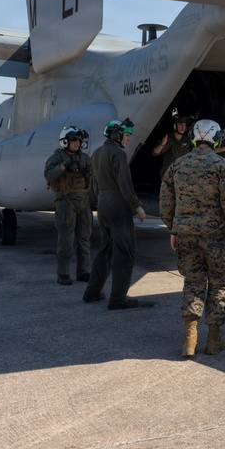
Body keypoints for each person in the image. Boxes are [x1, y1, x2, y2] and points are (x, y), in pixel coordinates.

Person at [159, 119, 225, 357]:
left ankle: (189, 340)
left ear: (194, 138)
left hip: (186, 235)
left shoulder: (177, 165)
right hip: (215, 236)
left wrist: (174, 229)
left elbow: (166, 202)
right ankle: (213, 340)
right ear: (217, 139)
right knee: (220, 281)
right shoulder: (221, 165)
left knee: (193, 281)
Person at [83, 118, 149, 309]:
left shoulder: (96, 153)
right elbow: (124, 183)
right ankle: (118, 299)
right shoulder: (118, 154)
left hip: (103, 205)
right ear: (116, 135)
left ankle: (92, 292)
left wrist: (101, 202)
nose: (128, 139)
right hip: (118, 205)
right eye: (126, 135)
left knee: (105, 249)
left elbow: (93, 186)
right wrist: (136, 205)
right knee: (124, 252)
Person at [43, 126, 94, 285]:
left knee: (85, 239)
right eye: (73, 140)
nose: (77, 143)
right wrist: (64, 165)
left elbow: (91, 176)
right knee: (66, 240)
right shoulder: (56, 158)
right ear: (65, 142)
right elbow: (49, 175)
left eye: (78, 140)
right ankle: (63, 274)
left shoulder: (84, 158)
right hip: (66, 201)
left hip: (83, 200)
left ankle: (83, 271)